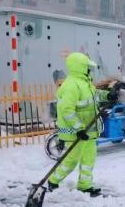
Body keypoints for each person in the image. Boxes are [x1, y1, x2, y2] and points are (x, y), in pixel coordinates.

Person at [47, 52, 114, 197]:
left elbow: (94, 95)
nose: (90, 70)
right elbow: (67, 110)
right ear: (80, 67)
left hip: (89, 130)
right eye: (87, 67)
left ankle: (85, 185)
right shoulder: (71, 85)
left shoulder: (85, 83)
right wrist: (78, 128)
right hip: (75, 132)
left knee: (89, 159)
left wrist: (107, 95)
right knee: (71, 160)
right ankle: (53, 181)